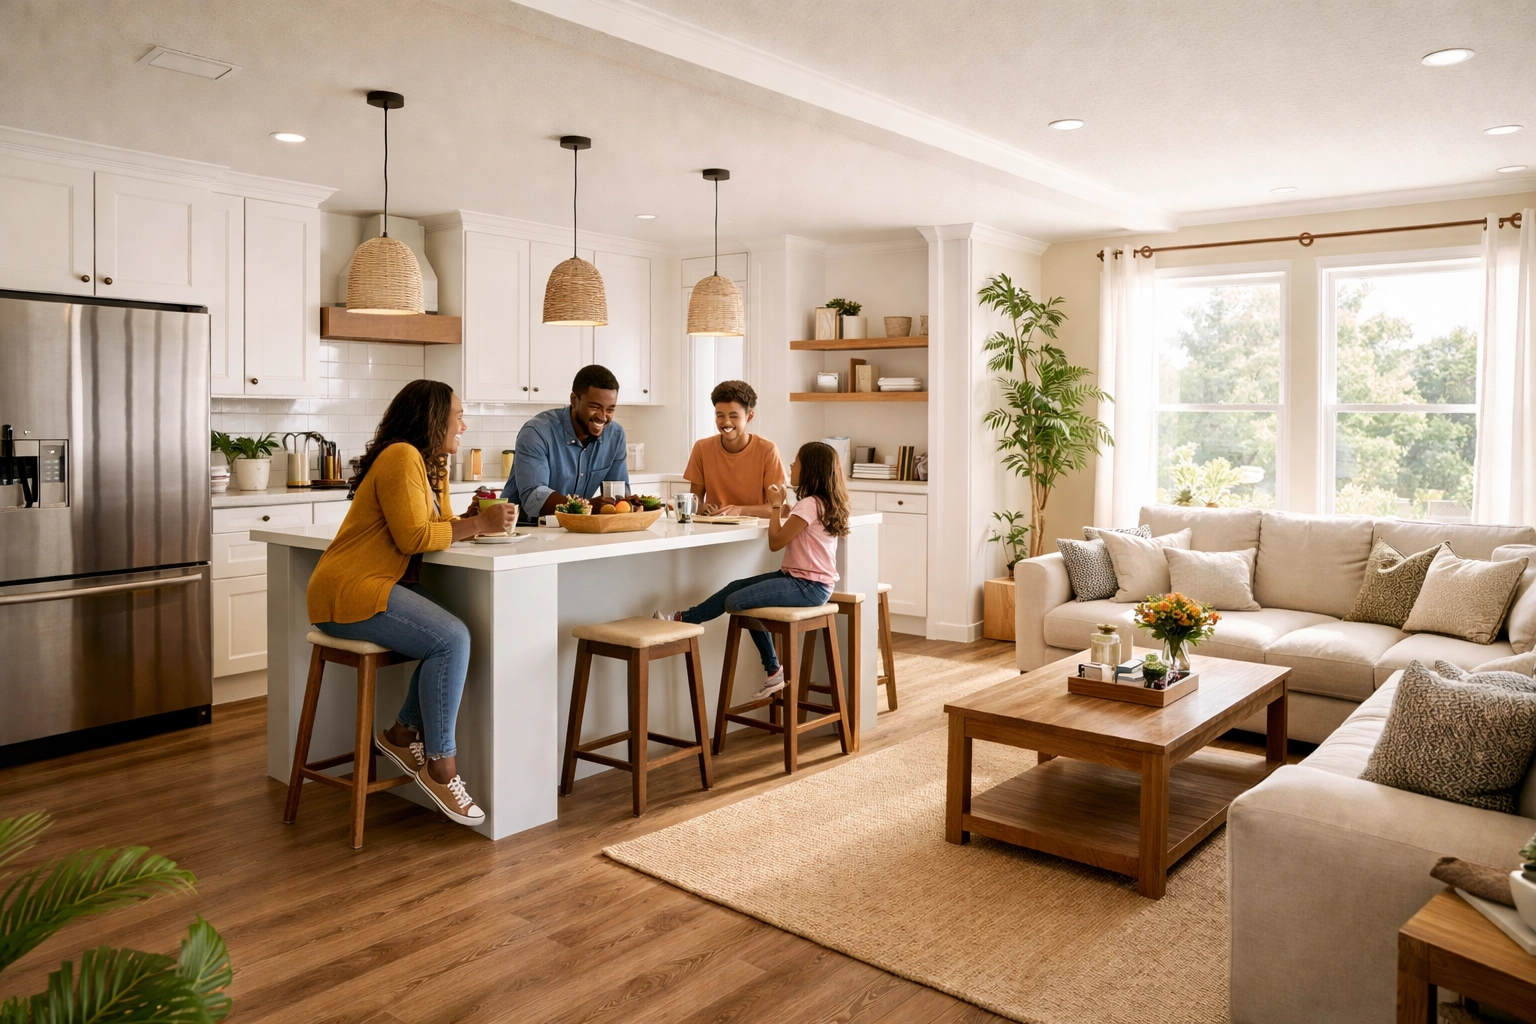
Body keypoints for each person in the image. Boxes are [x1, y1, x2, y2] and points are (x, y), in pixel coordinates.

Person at [307, 379, 516, 827]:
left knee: (446, 640)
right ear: (433, 418)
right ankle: (441, 766)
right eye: (457, 415)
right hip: (348, 590)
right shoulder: (401, 456)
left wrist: (474, 518)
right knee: (452, 639)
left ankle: (403, 734)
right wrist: (479, 523)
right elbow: (414, 537)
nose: (464, 423)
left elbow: (435, 524)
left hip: (374, 585)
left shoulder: (425, 464)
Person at [657, 440, 850, 698]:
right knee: (736, 587)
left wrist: (774, 505)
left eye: (797, 462)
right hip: (807, 583)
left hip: (807, 586)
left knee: (737, 601)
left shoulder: (808, 505)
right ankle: (681, 619)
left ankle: (773, 670)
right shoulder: (823, 503)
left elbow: (775, 542)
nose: (791, 465)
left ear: (810, 470)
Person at [506, 364, 629, 524]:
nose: (603, 417)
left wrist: (630, 502)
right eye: (595, 407)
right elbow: (533, 497)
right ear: (574, 400)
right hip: (526, 529)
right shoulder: (537, 432)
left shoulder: (615, 435)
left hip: (577, 528)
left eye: (610, 409)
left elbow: (618, 490)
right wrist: (587, 506)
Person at [683, 380, 788, 517]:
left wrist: (738, 510)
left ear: (749, 416)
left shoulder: (767, 450)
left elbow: (776, 508)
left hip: (753, 533)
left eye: (734, 416)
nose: (726, 422)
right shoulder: (702, 448)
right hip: (712, 531)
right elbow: (694, 503)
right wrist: (702, 508)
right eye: (720, 415)